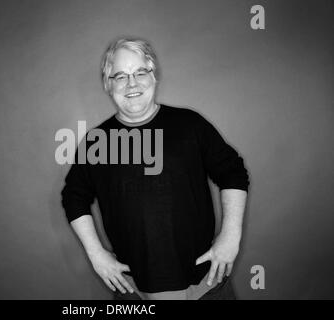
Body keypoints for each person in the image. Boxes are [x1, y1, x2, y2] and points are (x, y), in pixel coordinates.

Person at [61, 38, 249, 300]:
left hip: (207, 284)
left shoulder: (190, 125)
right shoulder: (97, 141)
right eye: (120, 76)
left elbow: (233, 172)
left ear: (153, 76)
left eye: (140, 72)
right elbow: (74, 197)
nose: (132, 84)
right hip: (135, 290)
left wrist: (231, 235)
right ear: (108, 84)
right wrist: (96, 254)